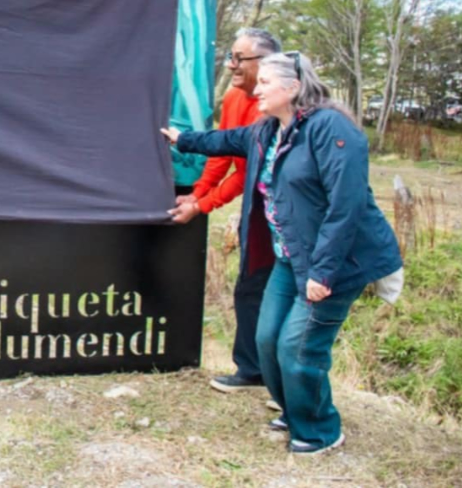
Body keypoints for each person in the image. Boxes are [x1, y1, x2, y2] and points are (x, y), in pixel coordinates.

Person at [163, 52, 402, 455]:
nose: (256, 89)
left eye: (264, 83)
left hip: (338, 262)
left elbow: (346, 209)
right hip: (290, 258)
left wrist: (323, 274)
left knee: (299, 346)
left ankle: (320, 429)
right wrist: (180, 138)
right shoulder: (267, 131)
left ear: (292, 88)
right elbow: (223, 140)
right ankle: (295, 412)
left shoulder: (333, 130)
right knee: (267, 339)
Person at [170, 28, 282, 395]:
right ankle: (252, 370)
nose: (231, 65)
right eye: (230, 57)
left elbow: (247, 170)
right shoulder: (235, 96)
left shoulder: (279, 106)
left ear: (265, 63)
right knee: (249, 287)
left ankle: (279, 379)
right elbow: (223, 153)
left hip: (279, 208)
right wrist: (197, 195)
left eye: (238, 58)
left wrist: (204, 204)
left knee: (274, 290)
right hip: (255, 207)